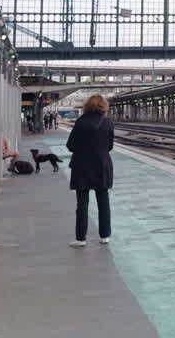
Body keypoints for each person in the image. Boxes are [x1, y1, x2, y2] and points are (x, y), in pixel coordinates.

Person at [66, 94, 114, 247]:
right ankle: (105, 236)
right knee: (103, 201)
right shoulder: (107, 122)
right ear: (103, 106)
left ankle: (81, 238)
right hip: (102, 165)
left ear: (87, 105)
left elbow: (70, 145)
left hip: (82, 166)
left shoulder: (81, 122)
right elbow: (110, 146)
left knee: (82, 203)